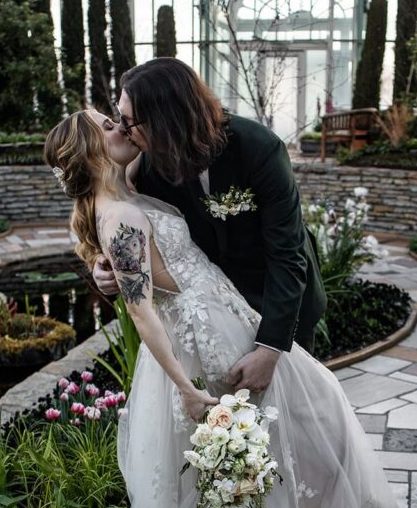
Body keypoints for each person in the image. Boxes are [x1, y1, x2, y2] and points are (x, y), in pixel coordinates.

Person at [44, 110, 402, 508]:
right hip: (202, 337)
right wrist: (185, 388)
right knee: (252, 439)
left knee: (295, 418)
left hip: (229, 313)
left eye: (119, 116)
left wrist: (106, 265)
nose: (122, 126)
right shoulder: (118, 215)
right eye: (108, 125)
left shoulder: (128, 181)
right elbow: (142, 313)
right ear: (90, 150)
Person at [91, 58, 327, 394]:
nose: (125, 131)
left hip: (279, 303)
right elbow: (128, 230)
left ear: (166, 118)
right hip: (219, 317)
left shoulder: (259, 149)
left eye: (130, 123)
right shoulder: (149, 165)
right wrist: (104, 267)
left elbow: (287, 255)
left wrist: (270, 350)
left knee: (297, 411)